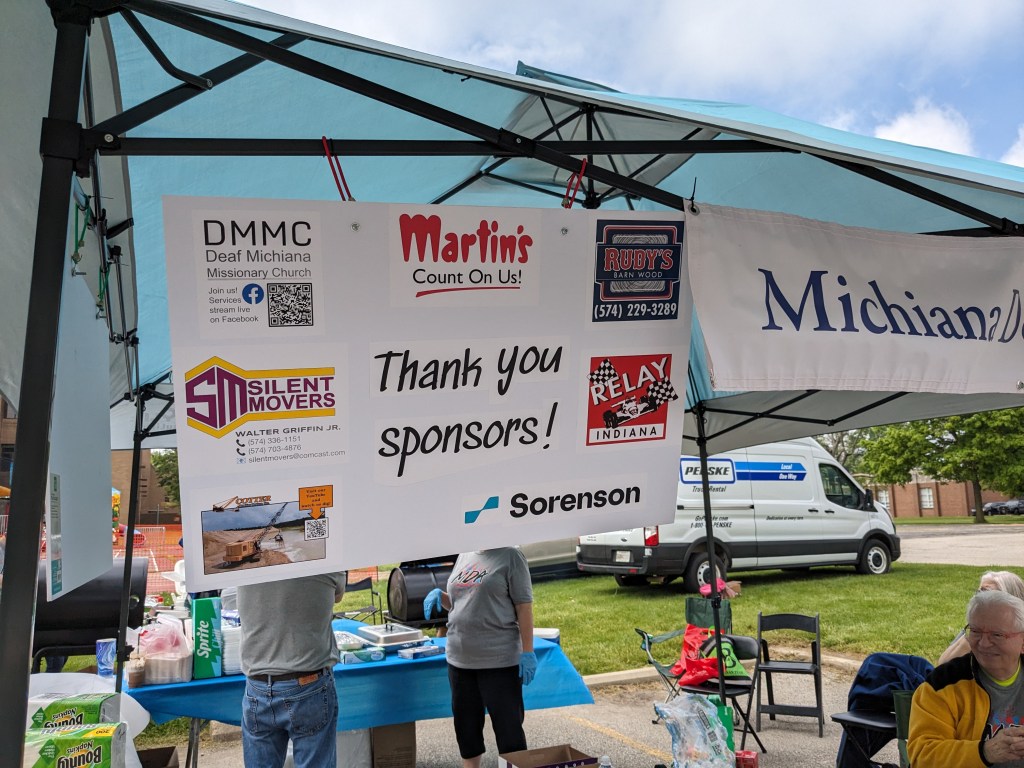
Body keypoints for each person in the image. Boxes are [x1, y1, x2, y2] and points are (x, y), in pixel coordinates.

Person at [423, 547, 536, 768]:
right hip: (459, 660)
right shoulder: (465, 553)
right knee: (466, 730)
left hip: (499, 661)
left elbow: (524, 607)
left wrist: (528, 651)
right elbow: (461, 602)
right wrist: (441, 597)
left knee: (509, 731)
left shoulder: (510, 556)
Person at [237, 572, 345, 768]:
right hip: (309, 684)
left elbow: (227, 600)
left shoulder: (241, 569)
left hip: (258, 685)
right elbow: (338, 595)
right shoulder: (327, 564)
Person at [908, 589, 1024, 767]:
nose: (983, 643)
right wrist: (985, 752)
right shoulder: (942, 684)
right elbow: (922, 755)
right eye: (975, 631)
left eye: (997, 634)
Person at [937, 571, 1024, 665]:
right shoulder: (976, 626)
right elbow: (943, 664)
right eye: (978, 592)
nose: (978, 598)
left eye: (987, 593)